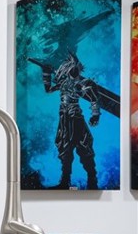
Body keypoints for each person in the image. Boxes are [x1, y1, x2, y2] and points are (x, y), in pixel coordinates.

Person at [41, 54, 101, 189]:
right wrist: (46, 73)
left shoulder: (84, 84)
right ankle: (64, 182)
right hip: (64, 118)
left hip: (75, 118)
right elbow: (48, 90)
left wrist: (95, 115)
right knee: (64, 148)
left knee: (83, 146)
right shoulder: (64, 83)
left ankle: (92, 181)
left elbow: (93, 99)